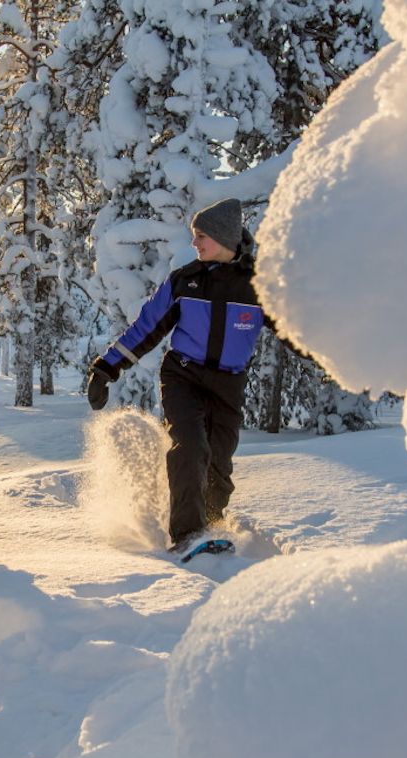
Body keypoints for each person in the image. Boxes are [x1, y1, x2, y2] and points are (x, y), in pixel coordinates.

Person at [87, 198, 264, 553]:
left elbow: (294, 330)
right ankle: (187, 536)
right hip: (183, 376)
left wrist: (329, 357)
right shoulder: (185, 281)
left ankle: (212, 528)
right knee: (190, 447)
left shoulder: (258, 287)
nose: (195, 244)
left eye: (201, 236)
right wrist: (107, 368)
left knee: (219, 462)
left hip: (228, 383)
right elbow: (147, 327)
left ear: (225, 239)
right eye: (194, 236)